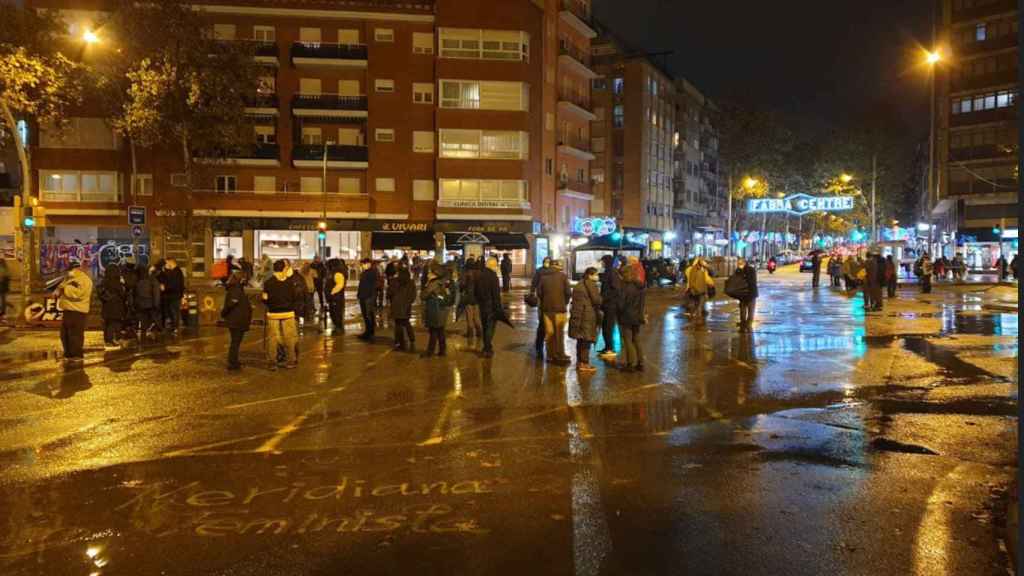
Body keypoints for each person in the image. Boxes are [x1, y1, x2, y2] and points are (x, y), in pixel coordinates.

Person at [261, 260, 299, 370]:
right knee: (289, 337)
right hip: (288, 313)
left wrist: (270, 304)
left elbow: (265, 298)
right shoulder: (290, 282)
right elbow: (295, 297)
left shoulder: (268, 282)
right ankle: (291, 361)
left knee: (272, 338)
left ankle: (272, 362)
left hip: (273, 313)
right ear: (283, 269)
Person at [536, 259, 572, 365]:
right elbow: (568, 293)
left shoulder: (543, 278)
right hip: (560, 309)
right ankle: (560, 354)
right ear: (557, 266)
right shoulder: (563, 277)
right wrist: (564, 303)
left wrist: (545, 302)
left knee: (550, 333)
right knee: (559, 333)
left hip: (547, 310)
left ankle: (550, 355)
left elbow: (539, 293)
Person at [56, 261, 93, 364]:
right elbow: (60, 288)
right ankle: (68, 353)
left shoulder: (85, 280)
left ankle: (76, 354)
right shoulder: (69, 278)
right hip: (67, 310)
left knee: (75, 334)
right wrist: (60, 290)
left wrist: (65, 289)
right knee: (65, 334)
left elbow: (78, 294)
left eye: (70, 270)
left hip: (77, 311)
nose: (68, 272)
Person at [569, 266, 602, 372]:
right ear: (590, 275)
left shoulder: (580, 284)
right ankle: (584, 363)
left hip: (580, 315)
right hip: (587, 316)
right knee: (586, 341)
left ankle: (580, 362)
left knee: (581, 340)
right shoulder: (591, 285)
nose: (597, 276)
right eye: (596, 274)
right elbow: (597, 300)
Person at [221, 270, 252, 371]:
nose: (246, 280)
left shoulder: (236, 288)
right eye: (244, 278)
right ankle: (232, 363)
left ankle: (234, 360)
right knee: (235, 342)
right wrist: (224, 312)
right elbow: (233, 302)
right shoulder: (236, 289)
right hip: (237, 319)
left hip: (236, 318)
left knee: (236, 341)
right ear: (240, 279)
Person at [618, 262, 646, 372]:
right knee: (637, 339)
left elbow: (621, 304)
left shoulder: (626, 287)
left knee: (628, 340)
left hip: (627, 316)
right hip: (637, 316)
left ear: (625, 275)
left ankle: (630, 364)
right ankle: (640, 363)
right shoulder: (639, 286)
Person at [421, 264, 453, 357]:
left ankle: (430, 352)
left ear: (435, 274)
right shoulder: (443, 282)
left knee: (433, 331)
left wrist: (425, 287)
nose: (428, 274)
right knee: (440, 331)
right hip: (442, 310)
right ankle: (442, 350)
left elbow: (423, 296)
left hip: (434, 310)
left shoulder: (433, 284)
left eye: (430, 272)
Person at [476, 256, 503, 358]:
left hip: (482, 306)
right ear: (493, 266)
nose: (497, 267)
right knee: (490, 328)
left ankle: (487, 347)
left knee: (485, 326)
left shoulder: (480, 275)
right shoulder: (493, 277)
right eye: (496, 265)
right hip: (491, 306)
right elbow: (496, 294)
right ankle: (487, 348)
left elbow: (477, 291)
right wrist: (498, 307)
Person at [597, 255, 622, 359]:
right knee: (605, 327)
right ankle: (607, 347)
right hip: (607, 305)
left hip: (610, 305)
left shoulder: (612, 272)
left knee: (608, 327)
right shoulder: (608, 271)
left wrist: (604, 298)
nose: (601, 263)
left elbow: (616, 289)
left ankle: (610, 348)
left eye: (602, 261)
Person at [388, 267, 416, 352]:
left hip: (396, 305)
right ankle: (411, 339)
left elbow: (389, 293)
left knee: (398, 324)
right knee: (406, 322)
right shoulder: (411, 283)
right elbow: (413, 296)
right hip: (406, 306)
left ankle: (400, 342)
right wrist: (408, 302)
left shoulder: (394, 281)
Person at [99, 263, 126, 349]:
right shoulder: (117, 282)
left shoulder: (104, 281)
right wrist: (123, 284)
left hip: (106, 306)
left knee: (107, 324)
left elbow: (100, 294)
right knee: (113, 324)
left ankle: (107, 341)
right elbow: (123, 294)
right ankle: (111, 341)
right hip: (116, 306)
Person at [529, 257, 552, 358]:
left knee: (545, 323)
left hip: (550, 299)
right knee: (542, 322)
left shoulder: (552, 272)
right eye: (545, 262)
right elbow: (534, 282)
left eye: (548, 262)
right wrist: (532, 291)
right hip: (541, 298)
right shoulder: (540, 271)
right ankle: (539, 345)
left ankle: (546, 344)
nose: (546, 263)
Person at [158, 258, 185, 334]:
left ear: (171, 262)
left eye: (166, 263)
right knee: (172, 312)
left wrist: (165, 287)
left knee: (174, 312)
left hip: (175, 296)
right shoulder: (173, 271)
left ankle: (175, 328)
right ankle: (174, 327)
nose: (166, 265)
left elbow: (174, 284)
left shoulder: (176, 272)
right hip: (173, 296)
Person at [135, 265, 162, 339]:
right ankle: (157, 332)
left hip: (141, 304)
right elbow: (156, 293)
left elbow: (136, 294)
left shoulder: (139, 281)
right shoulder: (153, 280)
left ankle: (144, 334)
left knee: (143, 320)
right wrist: (156, 304)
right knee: (154, 319)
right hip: (150, 304)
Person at [685, 257, 713, 327]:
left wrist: (707, 267)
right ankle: (697, 319)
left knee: (699, 305)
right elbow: (691, 280)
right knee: (698, 305)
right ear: (698, 262)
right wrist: (692, 289)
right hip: (696, 290)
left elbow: (710, 276)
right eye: (703, 262)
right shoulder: (693, 269)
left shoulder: (703, 270)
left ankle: (697, 318)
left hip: (702, 290)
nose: (704, 263)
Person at [460, 257, 482, 340]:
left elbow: (462, 285)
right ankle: (479, 332)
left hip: (468, 297)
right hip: (477, 297)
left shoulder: (466, 273)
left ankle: (470, 333)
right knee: (476, 316)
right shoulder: (479, 273)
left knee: (469, 316)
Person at [357, 258, 379, 341]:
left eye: (363, 264)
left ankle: (369, 333)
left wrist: (370, 295)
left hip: (368, 297)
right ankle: (368, 331)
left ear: (368, 264)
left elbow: (374, 285)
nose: (362, 266)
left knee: (368, 315)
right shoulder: (365, 272)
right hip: (363, 296)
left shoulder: (372, 272)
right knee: (366, 315)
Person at [735, 258, 758, 332]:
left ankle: (747, 324)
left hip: (748, 293)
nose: (739, 265)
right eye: (738, 263)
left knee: (748, 310)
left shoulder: (748, 270)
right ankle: (745, 323)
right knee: (745, 310)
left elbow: (751, 281)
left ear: (744, 263)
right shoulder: (741, 270)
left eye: (740, 263)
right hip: (747, 294)